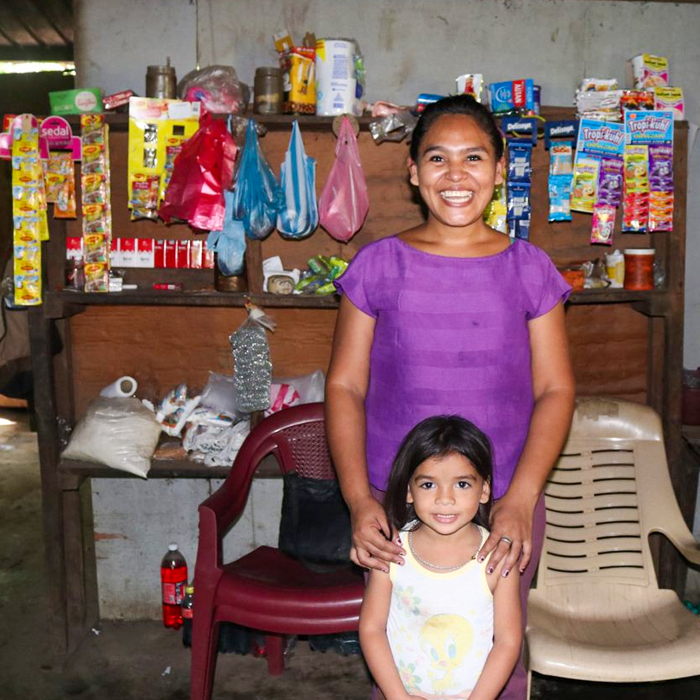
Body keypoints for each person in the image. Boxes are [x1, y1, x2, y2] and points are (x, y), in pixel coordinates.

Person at [325, 94, 575, 698]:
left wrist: (520, 498)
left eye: (474, 158)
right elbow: (345, 386)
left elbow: (556, 388)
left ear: (498, 170)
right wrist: (361, 500)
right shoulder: (379, 266)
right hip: (402, 504)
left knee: (498, 653)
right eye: (438, 158)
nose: (456, 176)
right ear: (413, 172)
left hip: (505, 502)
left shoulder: (529, 268)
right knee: (402, 648)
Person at [360, 415, 521, 700]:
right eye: (428, 485)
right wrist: (398, 697)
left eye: (461, 485)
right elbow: (372, 628)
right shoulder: (392, 552)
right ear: (409, 491)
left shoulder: (496, 559)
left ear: (484, 490)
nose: (444, 499)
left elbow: (508, 642)